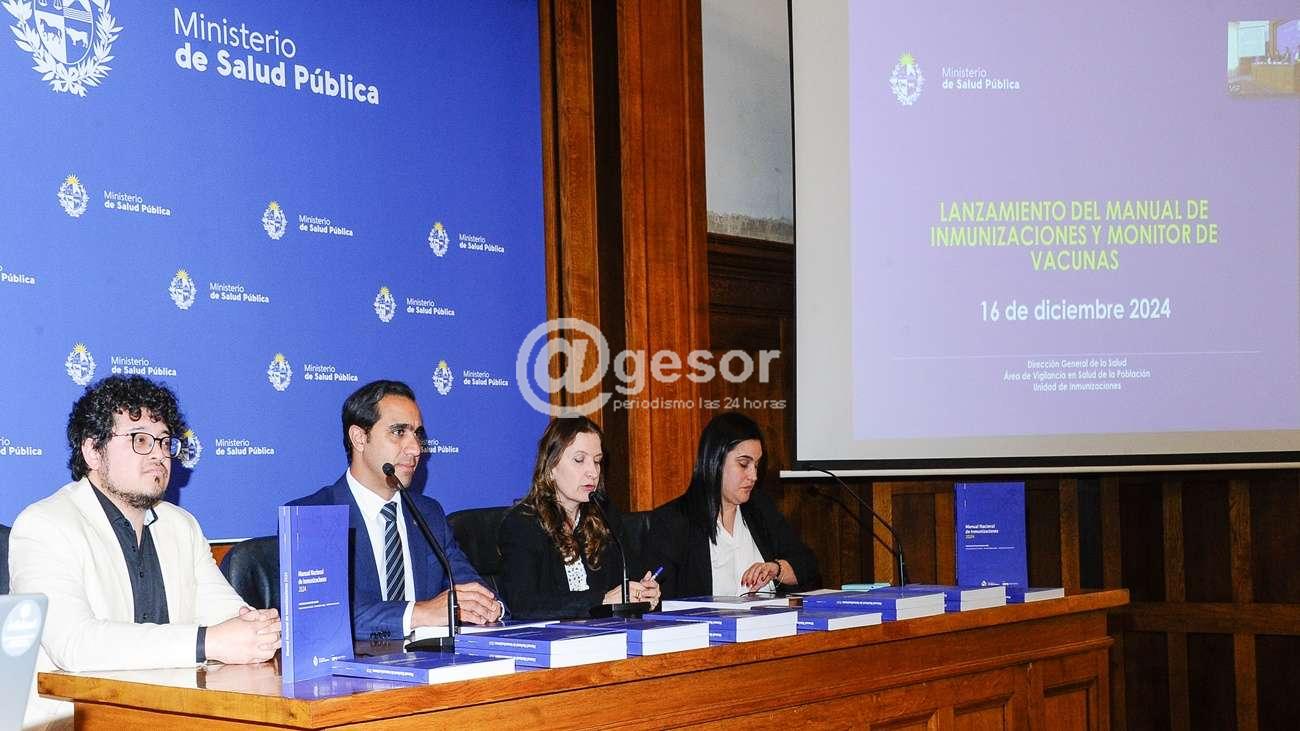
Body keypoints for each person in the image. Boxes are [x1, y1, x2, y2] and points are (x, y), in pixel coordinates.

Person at [8, 375, 280, 728]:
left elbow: (227, 613)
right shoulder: (45, 524)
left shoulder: (181, 526)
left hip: (165, 715)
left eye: (164, 442)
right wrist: (205, 642)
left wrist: (259, 629)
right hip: (70, 723)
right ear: (92, 451)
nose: (158, 454)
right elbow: (75, 645)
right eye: (140, 440)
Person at [288, 380, 503, 642]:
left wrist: (488, 607)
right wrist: (419, 613)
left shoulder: (428, 513)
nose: (415, 449)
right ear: (359, 438)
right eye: (399, 432)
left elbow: (472, 589)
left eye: (417, 434)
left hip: (432, 662)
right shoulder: (312, 516)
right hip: (354, 665)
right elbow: (321, 615)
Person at [498, 416, 660, 619]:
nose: (593, 472)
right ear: (550, 468)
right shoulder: (522, 523)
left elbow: (631, 578)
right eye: (579, 460)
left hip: (606, 633)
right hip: (553, 636)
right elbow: (522, 604)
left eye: (597, 461)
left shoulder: (605, 515)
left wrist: (645, 592)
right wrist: (602, 600)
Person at [648, 411, 818, 599]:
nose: (753, 476)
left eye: (756, 465)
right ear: (715, 461)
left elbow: (808, 566)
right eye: (744, 464)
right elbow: (661, 599)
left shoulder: (760, 508)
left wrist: (776, 569)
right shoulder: (672, 522)